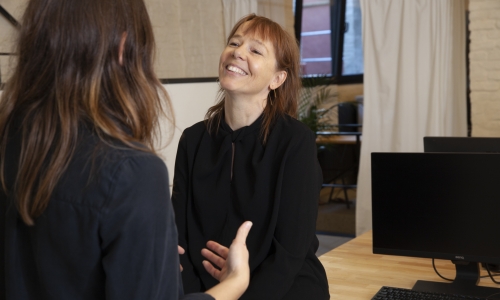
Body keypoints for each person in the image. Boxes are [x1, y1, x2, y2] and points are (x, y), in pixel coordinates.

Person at [0, 0, 252, 299]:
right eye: (234, 42)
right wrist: (235, 282)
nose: (238, 53)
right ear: (123, 46)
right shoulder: (133, 171)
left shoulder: (10, 137)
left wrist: (145, 251)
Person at [172, 14, 330, 299]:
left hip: (283, 287)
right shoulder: (192, 140)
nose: (238, 52)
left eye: (255, 50)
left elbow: (290, 252)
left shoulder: (296, 142)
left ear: (277, 79)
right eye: (234, 43)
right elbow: (178, 241)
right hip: (207, 289)